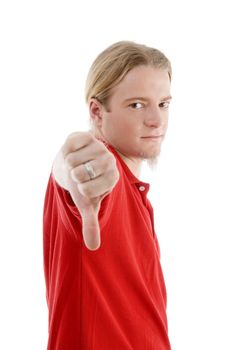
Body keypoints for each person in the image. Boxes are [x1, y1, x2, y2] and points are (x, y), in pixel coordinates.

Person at [43, 40, 172, 350]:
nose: (157, 120)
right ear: (97, 111)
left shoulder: (137, 195)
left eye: (164, 103)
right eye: (137, 105)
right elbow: (69, 172)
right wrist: (70, 168)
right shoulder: (100, 182)